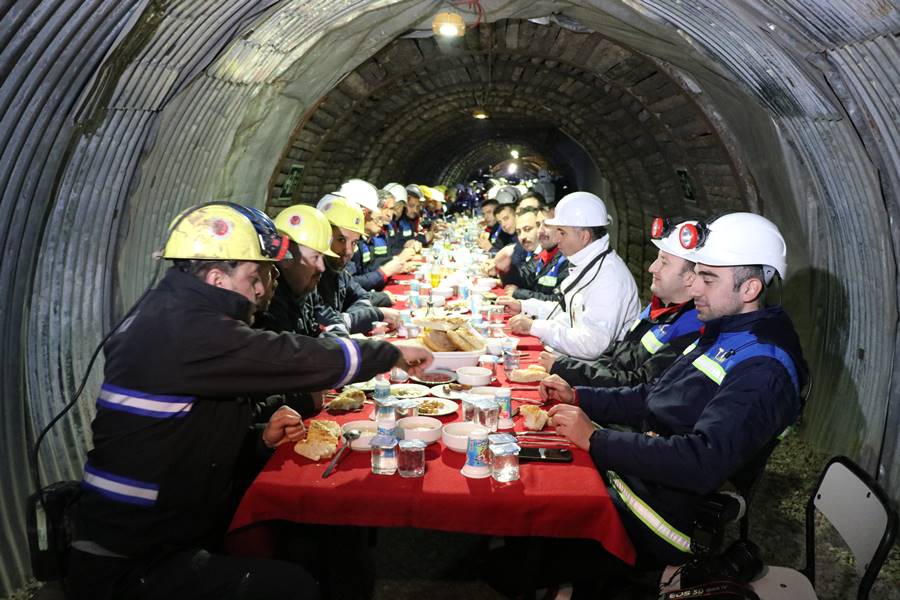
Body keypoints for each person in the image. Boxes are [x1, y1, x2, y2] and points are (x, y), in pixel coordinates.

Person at [68, 203, 433, 600]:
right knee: (293, 585)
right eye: (252, 276)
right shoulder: (188, 330)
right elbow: (287, 356)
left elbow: (186, 437)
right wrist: (386, 354)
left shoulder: (171, 315)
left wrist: (260, 440)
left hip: (151, 535)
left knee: (316, 548)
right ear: (216, 278)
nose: (261, 289)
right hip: (127, 557)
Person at [542, 212, 808, 572]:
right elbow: (654, 395)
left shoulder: (763, 367)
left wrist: (595, 440)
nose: (695, 288)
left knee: (544, 508)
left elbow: (702, 461)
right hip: (642, 478)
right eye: (696, 273)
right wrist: (581, 398)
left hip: (668, 518)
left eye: (708, 278)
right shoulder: (724, 332)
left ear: (749, 289)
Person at [540, 218, 703, 386]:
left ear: (690, 278)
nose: (652, 268)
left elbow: (638, 384)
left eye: (664, 263)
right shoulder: (658, 308)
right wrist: (570, 371)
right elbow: (617, 355)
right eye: (657, 259)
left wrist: (566, 370)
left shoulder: (690, 329)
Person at [499, 192, 640, 362]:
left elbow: (592, 344)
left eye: (562, 232)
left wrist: (535, 327)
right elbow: (567, 312)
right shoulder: (587, 262)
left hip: (595, 371)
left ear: (584, 236)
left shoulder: (609, 277)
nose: (556, 238)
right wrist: (524, 306)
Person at [256, 204, 347, 339]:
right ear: (286, 258)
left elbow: (328, 316)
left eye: (323, 257)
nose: (322, 267)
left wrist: (338, 339)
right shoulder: (271, 301)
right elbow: (292, 352)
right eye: (315, 257)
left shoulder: (305, 288)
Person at [316, 196, 401, 333]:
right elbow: (324, 325)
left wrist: (355, 317)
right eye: (341, 239)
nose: (348, 251)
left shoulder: (338, 272)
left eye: (354, 243)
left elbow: (362, 297)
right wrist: (370, 315)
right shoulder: (313, 276)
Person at [502, 205, 570, 303]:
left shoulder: (569, 259)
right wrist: (505, 268)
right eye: (538, 225)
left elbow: (558, 303)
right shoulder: (544, 254)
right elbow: (524, 277)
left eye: (547, 224)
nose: (540, 231)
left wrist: (518, 293)